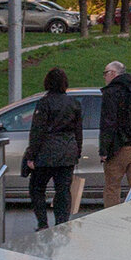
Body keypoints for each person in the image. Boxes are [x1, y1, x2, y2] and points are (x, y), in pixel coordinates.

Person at [25, 67, 83, 231]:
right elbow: (78, 131)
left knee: (37, 188)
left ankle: (43, 224)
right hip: (67, 152)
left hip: (46, 152)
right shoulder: (74, 103)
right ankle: (62, 223)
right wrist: (77, 151)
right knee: (63, 190)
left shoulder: (44, 103)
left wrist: (31, 155)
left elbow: (37, 131)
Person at [99, 60, 131, 207]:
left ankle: (112, 219)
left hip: (120, 146)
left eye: (105, 73)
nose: (104, 77)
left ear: (113, 74)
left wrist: (104, 150)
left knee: (112, 186)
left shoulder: (111, 93)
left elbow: (108, 123)